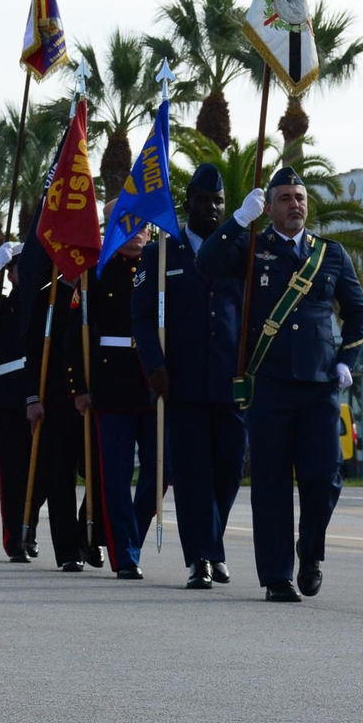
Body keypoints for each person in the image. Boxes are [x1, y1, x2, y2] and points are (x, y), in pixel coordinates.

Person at [196, 166, 363, 602]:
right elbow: (206, 264)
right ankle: (277, 577)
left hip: (319, 385)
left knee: (325, 476)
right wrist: (238, 220)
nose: (296, 205)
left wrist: (346, 359)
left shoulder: (330, 254)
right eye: (286, 198)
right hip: (269, 383)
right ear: (269, 207)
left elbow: (358, 311)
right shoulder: (252, 248)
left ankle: (309, 552)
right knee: (271, 482)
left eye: (301, 197)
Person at [133, 164, 244, 589]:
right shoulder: (160, 252)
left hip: (230, 382)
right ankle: (200, 558)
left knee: (229, 471)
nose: (212, 208)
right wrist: (154, 366)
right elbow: (142, 317)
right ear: (188, 203)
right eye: (204, 201)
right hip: (180, 381)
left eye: (219, 202)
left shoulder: (239, 251)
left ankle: (212, 545)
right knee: (193, 473)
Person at [0, 244, 93, 570]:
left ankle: (32, 527)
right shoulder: (4, 306)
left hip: (47, 396)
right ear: (11, 275)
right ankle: (17, 539)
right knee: (14, 475)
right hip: (9, 399)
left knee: (45, 474)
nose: (28, 272)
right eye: (20, 267)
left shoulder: (50, 299)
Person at [72, 223, 159, 580]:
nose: (135, 232)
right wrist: (80, 386)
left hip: (154, 380)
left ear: (151, 233)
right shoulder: (95, 272)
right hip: (111, 383)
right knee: (116, 475)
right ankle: (125, 554)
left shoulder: (161, 267)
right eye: (127, 225)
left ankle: (130, 534)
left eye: (142, 227)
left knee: (161, 470)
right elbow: (75, 333)